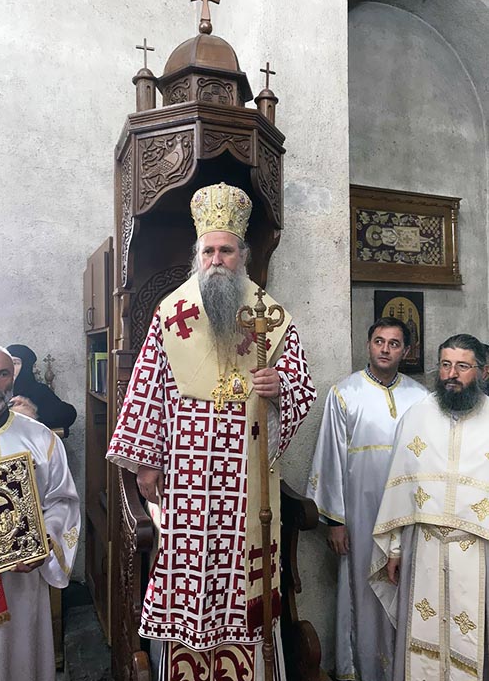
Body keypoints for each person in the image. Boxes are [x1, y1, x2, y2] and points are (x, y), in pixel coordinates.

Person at [106, 182, 316, 681]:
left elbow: (301, 386)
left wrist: (280, 386)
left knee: (245, 576)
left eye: (226, 250)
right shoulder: (170, 314)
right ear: (196, 257)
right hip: (187, 479)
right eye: (209, 251)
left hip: (248, 480)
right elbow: (147, 388)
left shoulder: (271, 318)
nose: (217, 260)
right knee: (190, 575)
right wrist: (147, 464)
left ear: (243, 257)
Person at [306, 318, 428, 681]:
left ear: (406, 351)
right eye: (379, 341)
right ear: (368, 344)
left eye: (394, 343)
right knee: (361, 590)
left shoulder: (421, 398)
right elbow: (330, 459)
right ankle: (362, 669)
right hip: (360, 516)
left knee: (405, 587)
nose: (385, 349)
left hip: (408, 514)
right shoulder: (345, 393)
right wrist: (336, 521)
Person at [371, 334, 489, 680]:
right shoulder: (417, 416)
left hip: (478, 551)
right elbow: (399, 491)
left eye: (463, 366)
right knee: (420, 636)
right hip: (423, 546)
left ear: (483, 372)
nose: (452, 374)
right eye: (446, 364)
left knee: (473, 637)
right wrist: (394, 550)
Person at [0, 344, 80, 681]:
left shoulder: (40, 438)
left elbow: (62, 502)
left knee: (22, 661)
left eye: (2, 374)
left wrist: (44, 543)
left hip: (24, 582)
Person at [6, 343, 77, 435]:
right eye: (6, 363)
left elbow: (68, 414)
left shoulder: (38, 391)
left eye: (15, 363)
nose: (9, 368)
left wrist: (34, 413)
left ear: (26, 367)